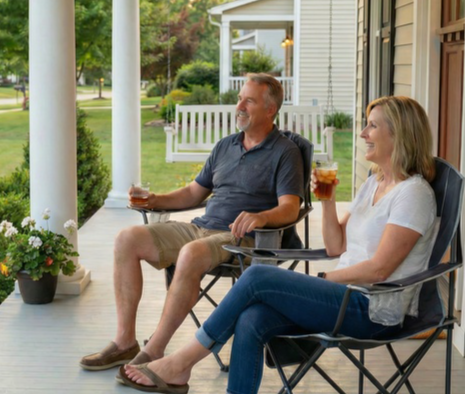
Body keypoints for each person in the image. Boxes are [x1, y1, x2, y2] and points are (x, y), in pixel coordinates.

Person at [119, 95, 439, 394]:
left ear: (399, 135)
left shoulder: (413, 195)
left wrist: (323, 280)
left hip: (372, 309)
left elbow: (380, 269)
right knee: (252, 317)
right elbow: (335, 247)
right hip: (345, 298)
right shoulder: (375, 182)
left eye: (372, 126)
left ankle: (180, 363)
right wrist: (327, 202)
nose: (362, 133)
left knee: (259, 277)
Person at [80, 73, 305, 374]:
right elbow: (193, 192)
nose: (239, 106)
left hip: (242, 237)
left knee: (190, 253)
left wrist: (261, 217)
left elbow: (291, 207)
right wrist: (154, 199)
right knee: (126, 238)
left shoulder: (285, 152)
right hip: (201, 227)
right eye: (239, 99)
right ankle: (124, 343)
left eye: (248, 101)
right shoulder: (226, 146)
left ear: (270, 109)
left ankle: (154, 351)